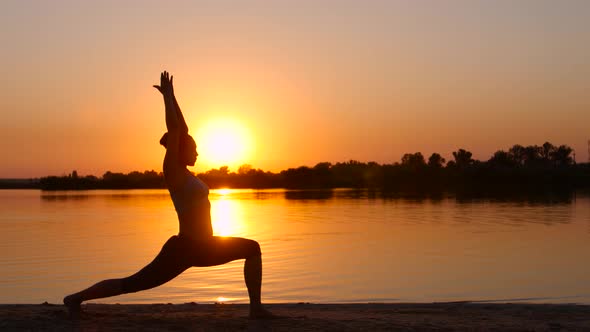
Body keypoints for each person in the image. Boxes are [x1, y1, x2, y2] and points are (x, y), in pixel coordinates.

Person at [64, 71, 274, 319]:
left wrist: (174, 97)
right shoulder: (173, 172)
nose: (198, 153)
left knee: (252, 248)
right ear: (180, 151)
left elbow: (182, 129)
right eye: (194, 149)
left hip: (207, 245)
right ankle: (75, 298)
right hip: (185, 248)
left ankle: (256, 309)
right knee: (132, 284)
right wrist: (166, 98)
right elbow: (175, 129)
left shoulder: (187, 174)